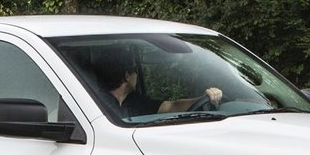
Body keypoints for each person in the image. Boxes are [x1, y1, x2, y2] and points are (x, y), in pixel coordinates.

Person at [93, 47, 223, 118]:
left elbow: (170, 107)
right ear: (128, 76)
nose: (137, 76)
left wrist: (205, 98)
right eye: (135, 72)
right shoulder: (95, 102)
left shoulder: (136, 100)